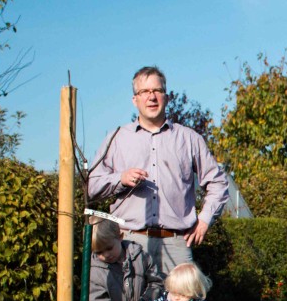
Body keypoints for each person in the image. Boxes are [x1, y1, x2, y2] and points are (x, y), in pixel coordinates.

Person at [87, 65, 230, 277]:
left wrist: (204, 220)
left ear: (166, 96)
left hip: (176, 244)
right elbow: (91, 186)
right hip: (128, 242)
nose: (151, 97)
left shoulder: (189, 139)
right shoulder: (116, 138)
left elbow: (218, 183)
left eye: (157, 91)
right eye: (144, 92)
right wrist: (120, 178)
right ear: (135, 100)